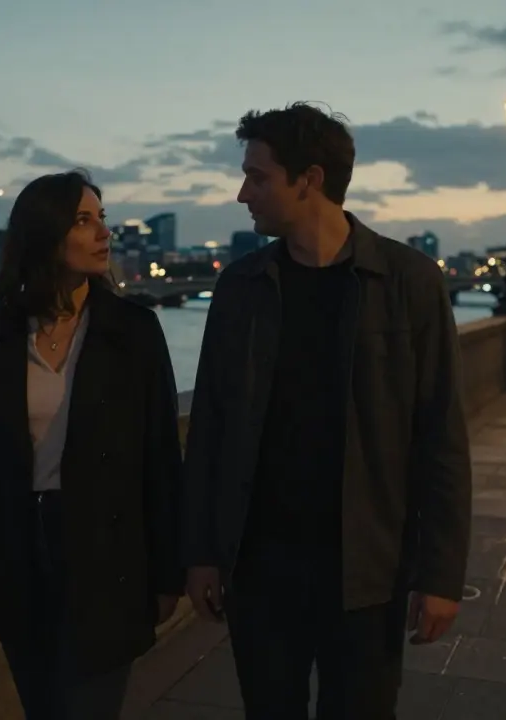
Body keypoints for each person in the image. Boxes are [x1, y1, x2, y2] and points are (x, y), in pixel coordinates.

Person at [180, 102, 473, 719]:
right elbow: (210, 427)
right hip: (259, 567)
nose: (242, 193)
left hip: (366, 569)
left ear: (308, 180)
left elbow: (440, 435)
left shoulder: (408, 281)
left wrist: (441, 574)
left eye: (258, 176)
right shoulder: (239, 288)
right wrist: (203, 551)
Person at [0, 170, 184, 719]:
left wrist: (169, 572)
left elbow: (161, 459)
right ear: (45, 234)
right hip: (17, 552)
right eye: (84, 220)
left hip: (106, 559)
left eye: (101, 219)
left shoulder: (133, 331)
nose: (104, 232)